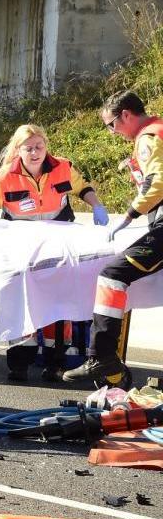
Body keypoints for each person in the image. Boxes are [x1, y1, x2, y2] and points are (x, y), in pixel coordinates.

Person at [0, 124, 107, 382]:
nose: (35, 152)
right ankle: (19, 363)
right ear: (18, 150)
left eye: (39, 146)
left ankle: (55, 363)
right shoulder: (4, 177)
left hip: (57, 249)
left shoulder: (62, 167)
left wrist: (97, 205)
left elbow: (82, 188)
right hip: (22, 251)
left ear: (46, 147)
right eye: (28, 148)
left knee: (58, 304)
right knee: (22, 304)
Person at [64, 91, 163, 387]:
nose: (112, 131)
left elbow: (158, 182)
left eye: (111, 124)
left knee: (112, 275)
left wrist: (130, 215)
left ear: (126, 115)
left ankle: (102, 355)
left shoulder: (148, 137)